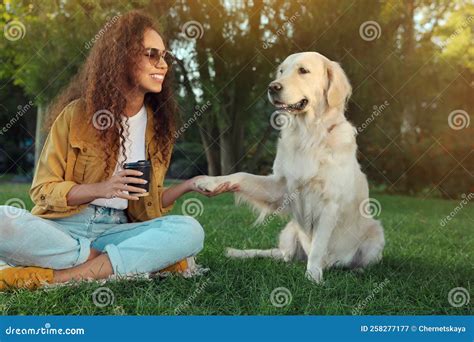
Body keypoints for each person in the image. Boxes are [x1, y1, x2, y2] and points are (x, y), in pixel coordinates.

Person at [0, 10, 238, 290]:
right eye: (152, 54)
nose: (163, 65)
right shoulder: (76, 115)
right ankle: (122, 263)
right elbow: (42, 189)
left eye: (165, 56)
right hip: (62, 227)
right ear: (122, 56)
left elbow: (148, 200)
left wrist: (190, 185)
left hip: (116, 232)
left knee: (190, 231)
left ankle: (61, 277)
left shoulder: (159, 127)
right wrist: (102, 188)